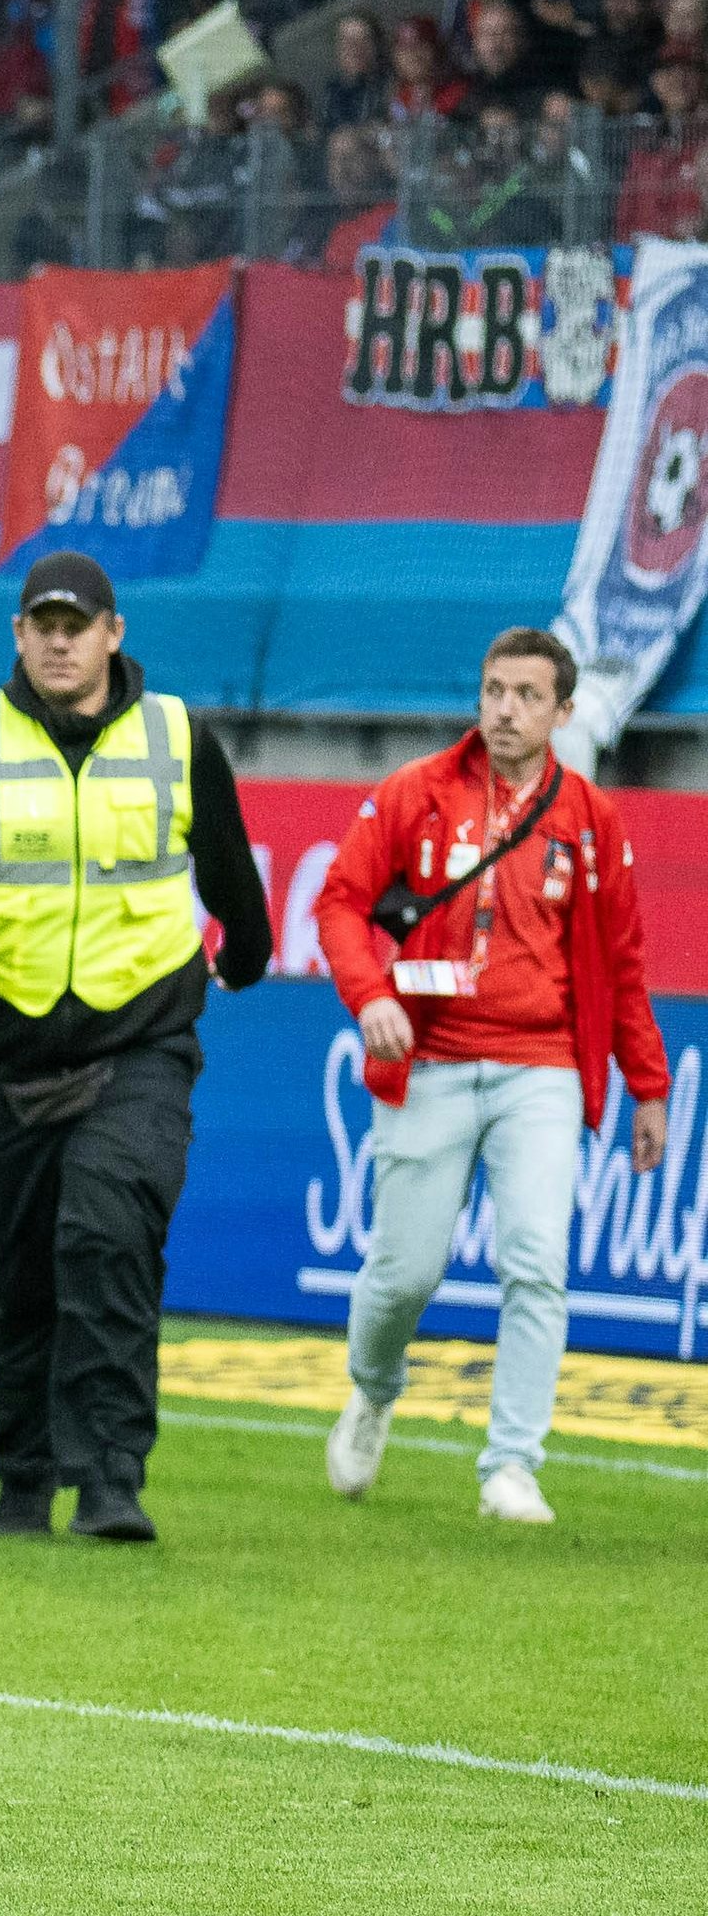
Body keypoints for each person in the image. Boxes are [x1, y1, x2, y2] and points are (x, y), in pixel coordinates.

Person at [0, 550, 276, 1544]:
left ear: (113, 634)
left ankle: (111, 1477)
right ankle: (26, 1472)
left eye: (75, 624)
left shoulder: (176, 737)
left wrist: (243, 959)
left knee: (106, 1236)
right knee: (23, 1267)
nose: (56, 638)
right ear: (17, 635)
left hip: (141, 1045)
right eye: (40, 623)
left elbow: (228, 872)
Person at [314, 630, 672, 1526]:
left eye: (525, 694)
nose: (505, 708)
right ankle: (373, 1389)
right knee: (405, 1274)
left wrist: (650, 1085)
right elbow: (341, 904)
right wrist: (369, 998)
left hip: (542, 1068)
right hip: (429, 1058)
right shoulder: (416, 793)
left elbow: (624, 961)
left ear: (562, 711)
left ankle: (511, 1464)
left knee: (537, 1262)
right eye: (493, 690)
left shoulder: (589, 818)